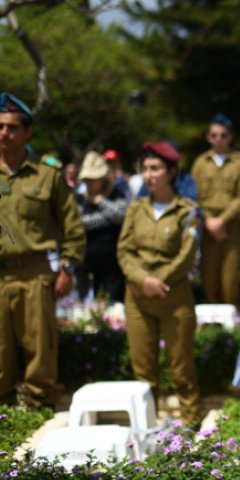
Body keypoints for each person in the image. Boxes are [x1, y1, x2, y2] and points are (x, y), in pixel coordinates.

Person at [0, 92, 85, 409]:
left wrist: (69, 268)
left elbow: (72, 226)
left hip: (36, 274)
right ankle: (6, 418)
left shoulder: (47, 176)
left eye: (11, 127)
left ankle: (38, 411)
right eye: (0, 126)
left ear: (27, 132)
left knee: (40, 350)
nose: (3, 133)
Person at [117, 141, 203, 427]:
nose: (149, 175)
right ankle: (147, 426)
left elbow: (186, 255)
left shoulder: (187, 210)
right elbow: (124, 250)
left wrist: (158, 280)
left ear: (172, 171)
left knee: (182, 368)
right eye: (145, 169)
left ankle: (191, 425)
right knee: (143, 369)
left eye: (155, 169)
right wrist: (144, 280)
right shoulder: (136, 209)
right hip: (138, 299)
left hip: (174, 297)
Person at [191, 113, 240, 306]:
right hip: (207, 226)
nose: (219, 139)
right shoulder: (200, 163)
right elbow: (194, 196)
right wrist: (209, 221)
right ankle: (211, 325)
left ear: (230, 137)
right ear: (208, 137)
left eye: (223, 135)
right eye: (214, 135)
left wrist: (221, 221)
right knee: (208, 276)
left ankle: (232, 324)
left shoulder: (239, 163)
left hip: (231, 225)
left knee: (230, 277)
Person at [75, 150, 128, 303]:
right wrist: (106, 218)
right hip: (85, 260)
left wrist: (100, 201)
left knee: (114, 303)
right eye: (87, 179)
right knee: (85, 303)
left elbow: (121, 217)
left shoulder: (116, 194)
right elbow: (78, 224)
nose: (89, 183)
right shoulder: (79, 198)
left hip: (112, 261)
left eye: (94, 179)